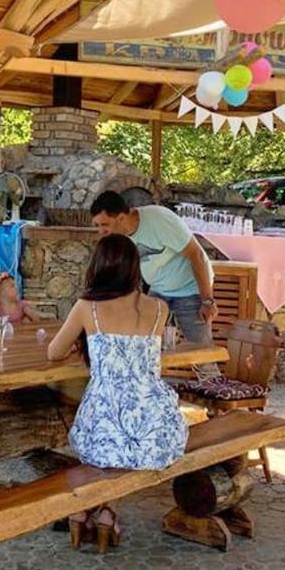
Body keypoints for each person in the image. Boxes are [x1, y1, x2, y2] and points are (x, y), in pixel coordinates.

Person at [46, 234, 187, 551]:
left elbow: (54, 353)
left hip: (105, 417)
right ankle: (107, 513)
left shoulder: (88, 308)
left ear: (97, 267)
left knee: (104, 448)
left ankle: (83, 510)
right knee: (121, 451)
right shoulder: (159, 308)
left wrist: (84, 345)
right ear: (135, 268)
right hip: (155, 425)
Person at [89, 191, 216, 345]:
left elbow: (197, 255)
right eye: (97, 226)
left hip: (190, 291)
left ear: (121, 218)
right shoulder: (118, 237)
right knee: (145, 345)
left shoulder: (160, 220)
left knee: (201, 352)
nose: (101, 232)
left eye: (105, 225)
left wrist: (207, 301)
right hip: (157, 291)